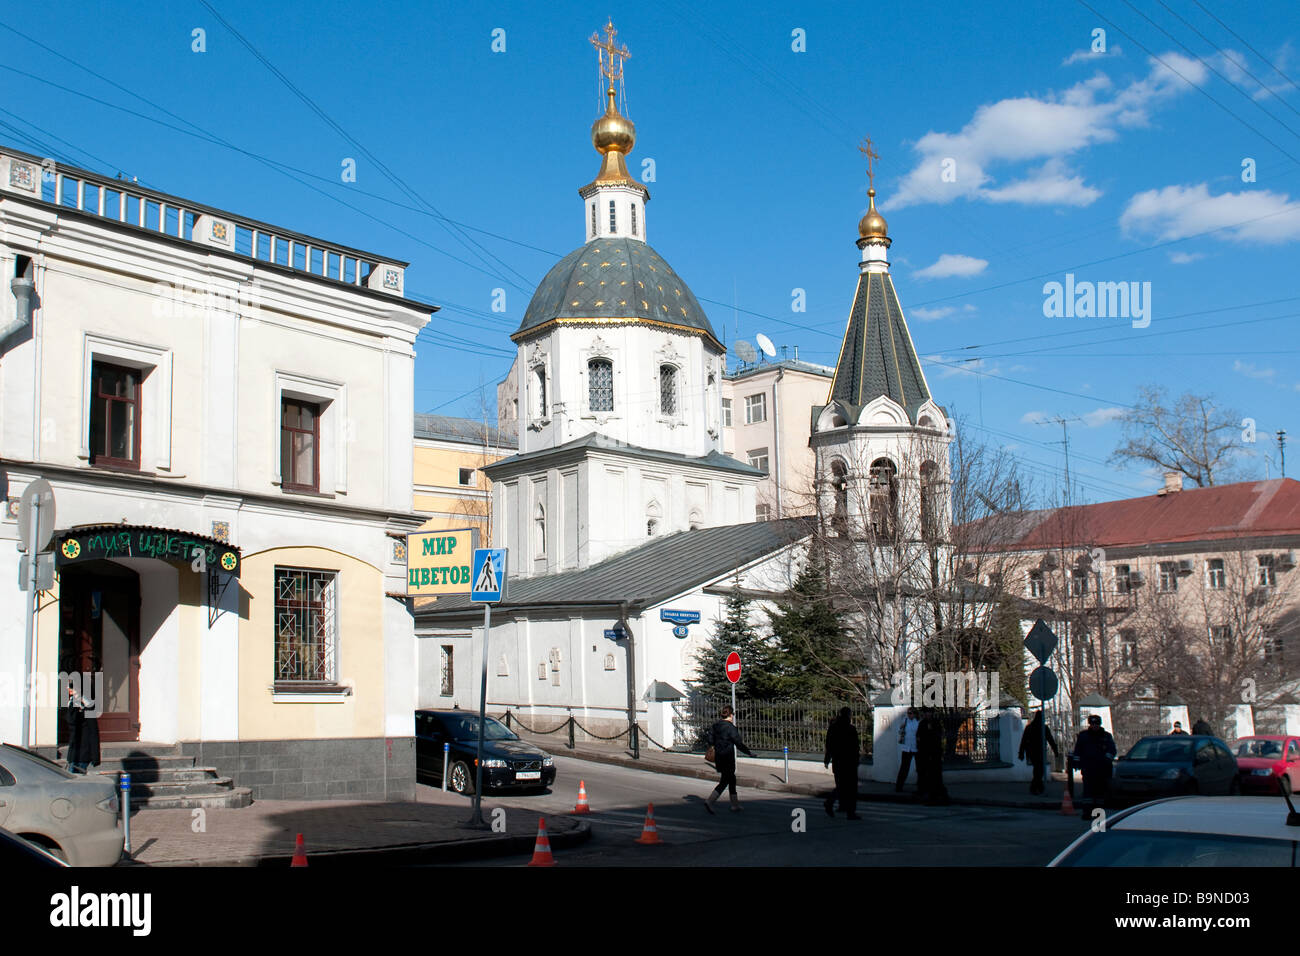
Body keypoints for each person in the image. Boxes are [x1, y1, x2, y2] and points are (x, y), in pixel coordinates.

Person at [705, 705, 754, 814]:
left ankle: (735, 805)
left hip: (718, 756)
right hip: (727, 757)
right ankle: (710, 801)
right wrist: (749, 752)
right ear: (730, 715)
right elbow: (738, 742)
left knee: (731, 779)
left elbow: (710, 739)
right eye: (732, 715)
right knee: (725, 781)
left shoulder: (715, 725)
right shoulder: (730, 728)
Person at [1072, 714, 1116, 819]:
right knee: (1088, 792)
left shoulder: (1106, 736)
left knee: (1100, 793)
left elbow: (1112, 750)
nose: (1094, 726)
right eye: (1092, 723)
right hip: (1088, 768)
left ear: (1100, 724)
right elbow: (1077, 750)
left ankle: (1098, 814)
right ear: (1089, 724)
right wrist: (1076, 763)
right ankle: (1087, 813)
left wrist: (1106, 760)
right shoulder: (1083, 736)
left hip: (1102, 769)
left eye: (1096, 724)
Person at [823, 707, 861, 819]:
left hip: (838, 761)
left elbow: (829, 744)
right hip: (849, 762)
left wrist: (827, 759)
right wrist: (857, 759)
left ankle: (834, 803)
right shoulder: (851, 729)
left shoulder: (833, 727)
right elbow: (855, 747)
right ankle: (850, 812)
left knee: (841, 786)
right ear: (849, 715)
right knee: (851, 788)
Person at [1018, 710, 1058, 795]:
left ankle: (1038, 787)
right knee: (1039, 770)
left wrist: (1021, 753)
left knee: (1038, 769)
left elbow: (1024, 741)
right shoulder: (1042, 727)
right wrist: (1055, 750)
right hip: (1038, 751)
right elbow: (1050, 739)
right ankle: (1036, 787)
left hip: (1033, 752)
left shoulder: (1030, 727)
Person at [64, 684, 100, 775]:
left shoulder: (87, 705)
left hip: (83, 753)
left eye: (71, 686)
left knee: (78, 780)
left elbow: (93, 731)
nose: (68, 688)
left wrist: (95, 756)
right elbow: (71, 721)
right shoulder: (72, 703)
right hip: (74, 751)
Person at [915, 710, 948, 805]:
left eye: (929, 713)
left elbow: (939, 736)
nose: (927, 714)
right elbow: (919, 736)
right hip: (924, 753)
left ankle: (937, 794)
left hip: (935, 753)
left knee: (936, 775)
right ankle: (926, 793)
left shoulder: (936, 723)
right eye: (926, 713)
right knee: (925, 774)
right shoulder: (922, 723)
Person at [896, 707, 919, 793]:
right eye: (908, 713)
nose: (909, 715)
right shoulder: (905, 721)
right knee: (904, 768)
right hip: (906, 748)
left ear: (915, 714)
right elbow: (900, 731)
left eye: (911, 713)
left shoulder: (918, 722)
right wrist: (901, 729)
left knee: (919, 768)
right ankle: (899, 786)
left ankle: (920, 787)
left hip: (916, 748)